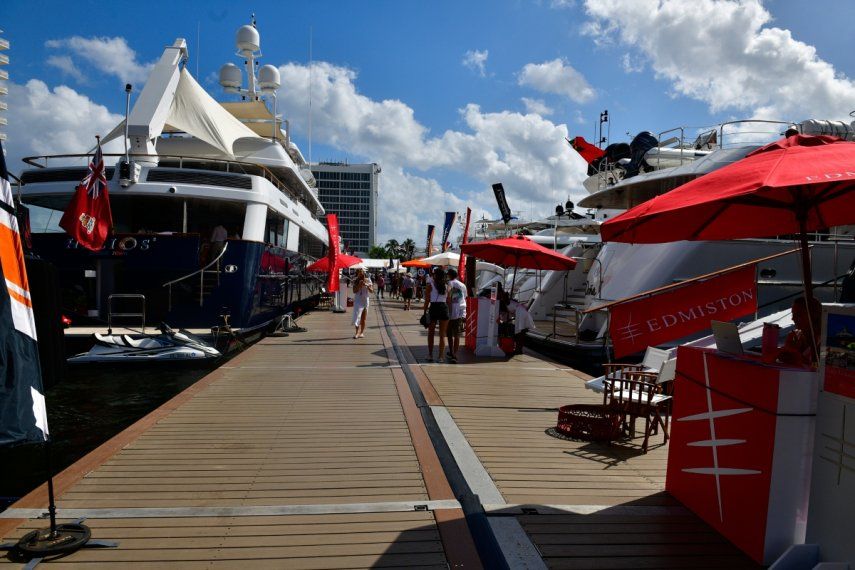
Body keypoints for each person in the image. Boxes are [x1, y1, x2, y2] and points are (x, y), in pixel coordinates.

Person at [778, 295, 821, 367]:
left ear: (813, 316)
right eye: (793, 314)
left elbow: (817, 369)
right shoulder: (795, 336)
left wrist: (795, 353)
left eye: (798, 315)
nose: (793, 318)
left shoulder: (823, 342)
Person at [423, 267, 450, 362]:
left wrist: (424, 311)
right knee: (442, 334)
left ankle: (430, 355)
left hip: (434, 307)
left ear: (435, 275)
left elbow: (427, 300)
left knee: (431, 333)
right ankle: (441, 357)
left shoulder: (430, 285)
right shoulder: (447, 286)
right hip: (444, 307)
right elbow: (448, 300)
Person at [445, 268, 467, 363]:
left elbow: (448, 298)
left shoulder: (449, 283)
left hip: (452, 310)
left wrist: (448, 311)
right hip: (461, 309)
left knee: (450, 333)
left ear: (449, 275)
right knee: (457, 333)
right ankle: (455, 353)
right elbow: (465, 296)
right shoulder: (462, 285)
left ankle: (452, 352)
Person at [351, 268, 373, 339]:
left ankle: (362, 332)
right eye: (359, 273)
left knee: (363, 318)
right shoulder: (355, 280)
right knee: (357, 316)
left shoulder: (368, 280)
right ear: (357, 274)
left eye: (362, 273)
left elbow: (371, 291)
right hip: (358, 300)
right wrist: (359, 285)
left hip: (365, 300)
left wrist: (367, 286)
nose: (361, 275)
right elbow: (354, 291)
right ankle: (356, 332)